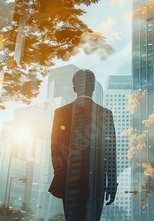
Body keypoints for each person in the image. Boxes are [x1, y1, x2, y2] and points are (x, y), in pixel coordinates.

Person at [49, 69, 117, 221]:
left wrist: (60, 175)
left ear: (74, 88)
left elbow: (55, 149)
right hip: (96, 181)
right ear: (93, 87)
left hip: (69, 181)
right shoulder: (105, 113)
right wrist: (112, 183)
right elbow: (110, 153)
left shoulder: (61, 113)